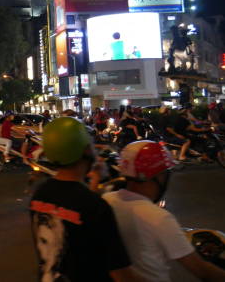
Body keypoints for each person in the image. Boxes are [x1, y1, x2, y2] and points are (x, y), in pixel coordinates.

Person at [30, 117, 142, 282]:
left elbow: (73, 213)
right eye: (90, 143)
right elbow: (121, 274)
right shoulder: (96, 207)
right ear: (85, 151)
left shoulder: (40, 194)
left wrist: (95, 180)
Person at [104, 141, 225, 282]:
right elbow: (202, 271)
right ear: (157, 175)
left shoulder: (108, 200)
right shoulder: (158, 217)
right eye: (165, 173)